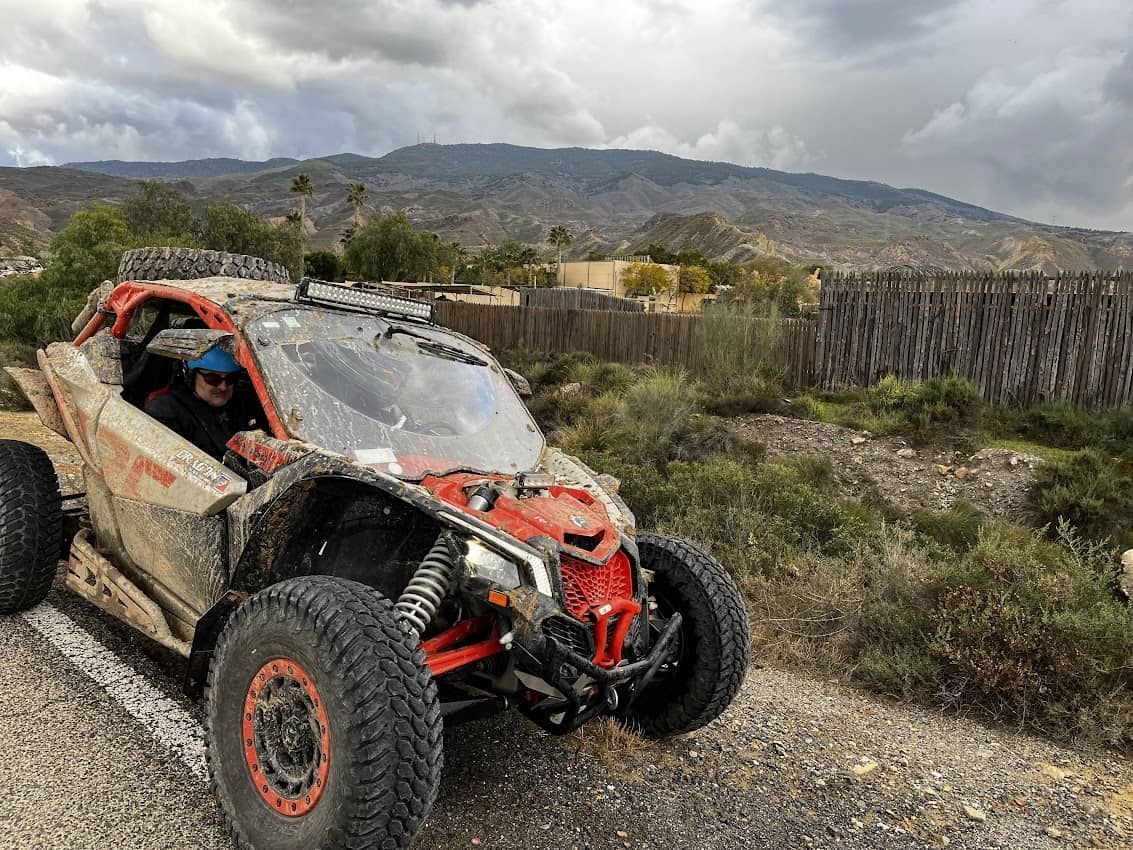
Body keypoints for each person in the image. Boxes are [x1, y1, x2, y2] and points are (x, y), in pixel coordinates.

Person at [145, 346, 261, 461]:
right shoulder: (165, 411)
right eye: (213, 379)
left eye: (231, 378)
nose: (223, 387)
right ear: (191, 376)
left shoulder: (245, 404)